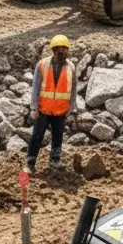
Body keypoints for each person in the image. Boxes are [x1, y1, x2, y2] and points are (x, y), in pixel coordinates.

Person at [27, 35, 74, 172]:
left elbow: (73, 89)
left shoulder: (71, 67)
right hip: (43, 109)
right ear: (53, 51)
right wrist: (34, 107)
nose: (63, 52)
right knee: (37, 136)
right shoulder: (42, 65)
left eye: (65, 49)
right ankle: (30, 163)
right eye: (60, 50)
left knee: (58, 136)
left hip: (61, 110)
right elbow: (35, 87)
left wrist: (72, 108)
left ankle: (55, 161)